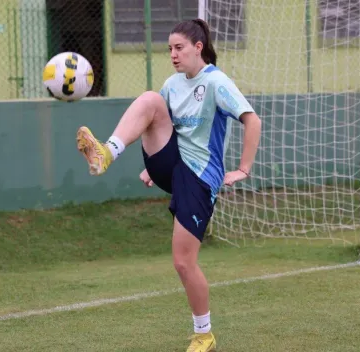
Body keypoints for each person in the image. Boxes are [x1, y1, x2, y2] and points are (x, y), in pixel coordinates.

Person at [76, 18, 261, 352]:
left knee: (183, 262)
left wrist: (243, 169)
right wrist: (152, 168)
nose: (173, 55)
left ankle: (204, 334)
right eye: (170, 49)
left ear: (198, 48)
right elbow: (154, 119)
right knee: (149, 99)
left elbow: (252, 120)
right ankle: (107, 153)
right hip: (170, 164)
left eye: (179, 48)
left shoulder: (216, 82)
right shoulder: (173, 84)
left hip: (198, 176)